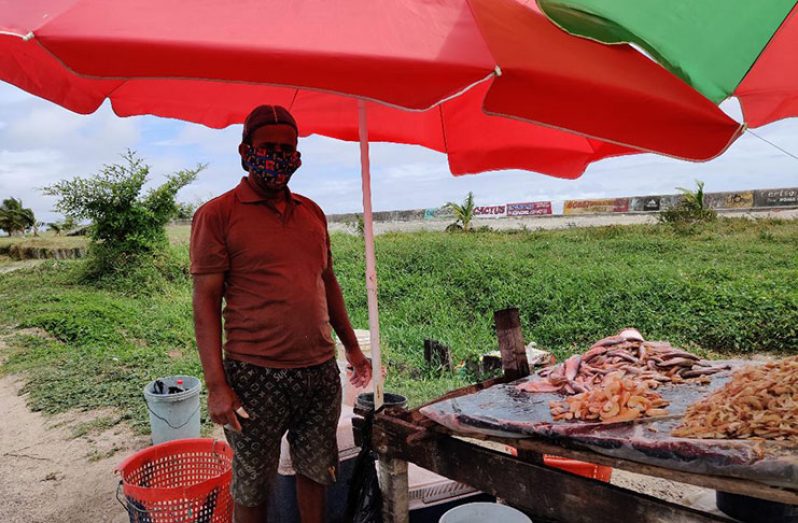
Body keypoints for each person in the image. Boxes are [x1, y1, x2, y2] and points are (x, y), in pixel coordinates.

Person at [190, 105, 372, 523]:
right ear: (244, 151)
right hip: (254, 375)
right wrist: (217, 386)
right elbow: (205, 305)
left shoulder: (312, 213)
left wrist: (352, 350)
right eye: (267, 147)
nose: (277, 157)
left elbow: (327, 284)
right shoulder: (217, 215)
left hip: (318, 372)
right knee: (252, 482)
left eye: (286, 149)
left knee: (317, 471)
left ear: (298, 157)